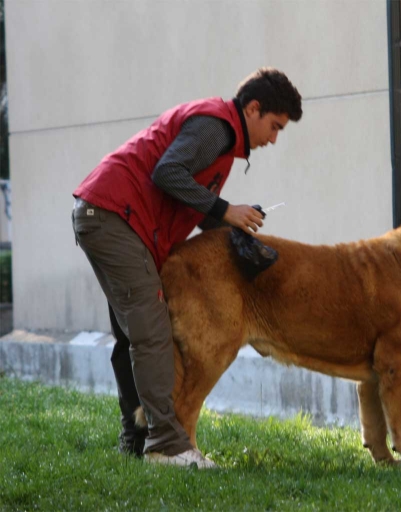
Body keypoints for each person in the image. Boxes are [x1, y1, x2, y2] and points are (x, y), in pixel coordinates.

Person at [71, 68, 302, 468]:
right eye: (275, 126)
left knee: (132, 335)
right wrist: (228, 209)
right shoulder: (218, 128)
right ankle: (167, 445)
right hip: (113, 217)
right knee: (151, 328)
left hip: (104, 214)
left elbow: (186, 198)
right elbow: (167, 173)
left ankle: (138, 437)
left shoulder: (221, 134)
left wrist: (236, 236)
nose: (274, 139)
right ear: (253, 109)